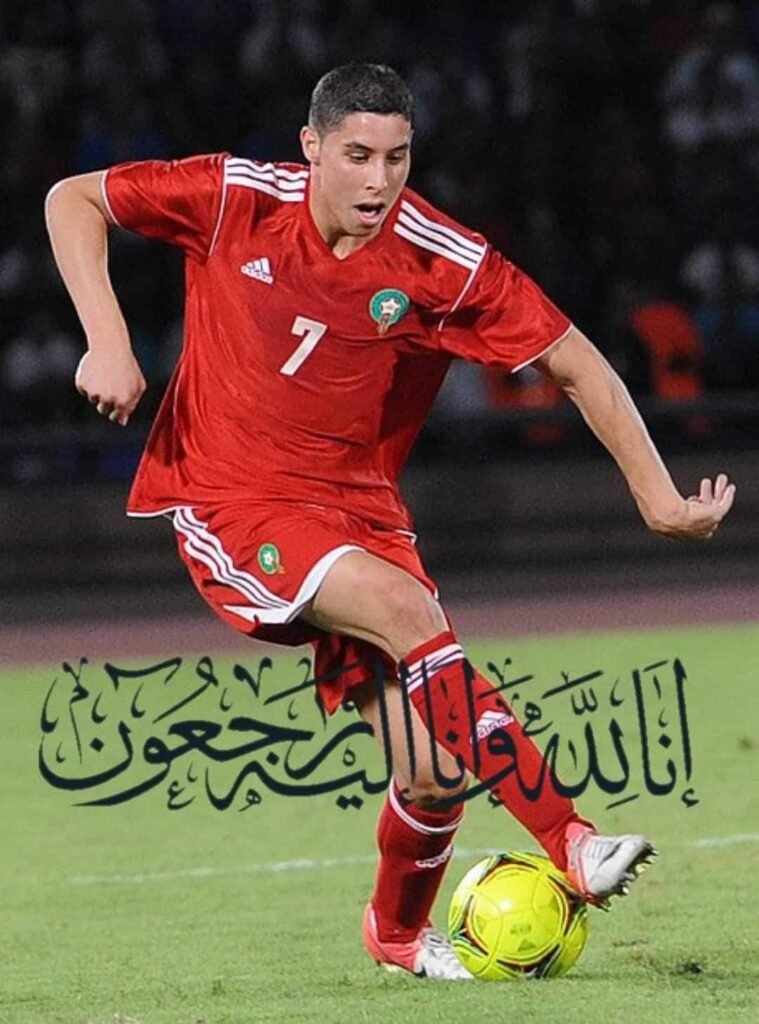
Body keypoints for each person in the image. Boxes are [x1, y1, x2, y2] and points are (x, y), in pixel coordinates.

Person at [45, 63, 736, 981]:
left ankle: (398, 936)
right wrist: (106, 337)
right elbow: (73, 198)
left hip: (360, 515)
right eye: (358, 155)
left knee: (433, 772)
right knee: (410, 613)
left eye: (397, 158)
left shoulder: (439, 260)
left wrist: (656, 497)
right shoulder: (233, 198)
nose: (378, 181)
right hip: (229, 497)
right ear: (312, 148)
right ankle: (570, 838)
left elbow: (577, 362)